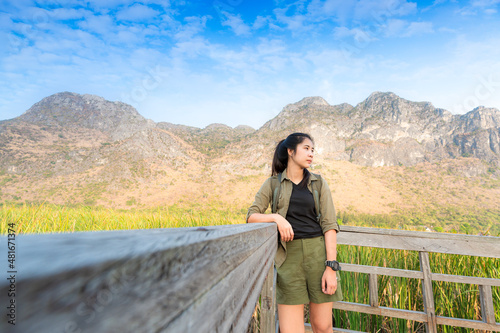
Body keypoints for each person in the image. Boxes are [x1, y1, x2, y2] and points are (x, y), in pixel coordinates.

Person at [247, 132, 342, 333]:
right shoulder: (273, 184)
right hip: (288, 259)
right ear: (291, 151)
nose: (311, 154)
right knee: (291, 331)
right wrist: (276, 218)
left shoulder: (318, 183)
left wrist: (331, 267)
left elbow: (329, 225)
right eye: (306, 148)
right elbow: (252, 215)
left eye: (312, 150)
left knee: (323, 327)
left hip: (318, 257)